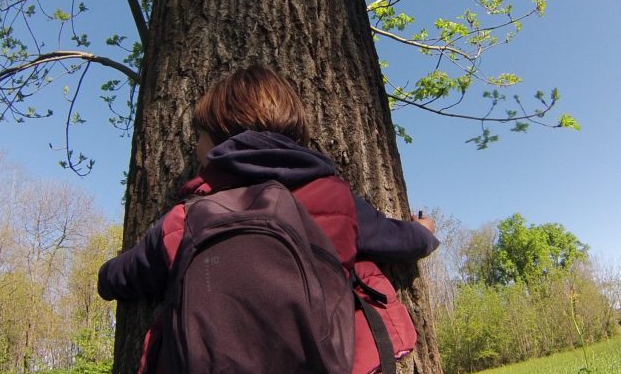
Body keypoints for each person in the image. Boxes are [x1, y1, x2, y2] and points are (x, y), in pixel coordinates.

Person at [98, 65, 439, 374]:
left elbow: (127, 273)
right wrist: (424, 232)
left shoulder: (187, 217)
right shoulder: (334, 197)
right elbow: (398, 240)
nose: (196, 147)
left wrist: (104, 274)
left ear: (218, 138)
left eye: (199, 135)